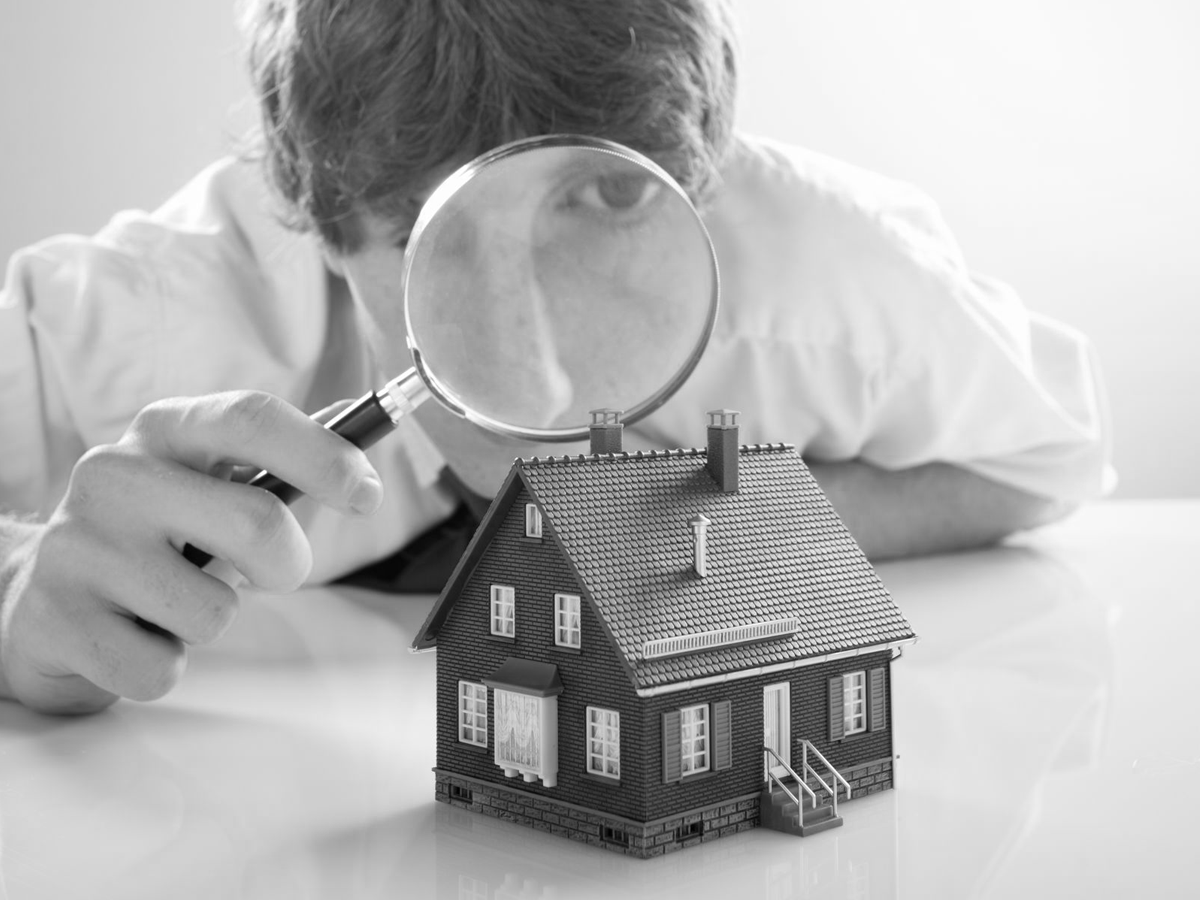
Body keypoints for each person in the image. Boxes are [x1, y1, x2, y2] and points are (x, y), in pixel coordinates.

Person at [0, 0, 1112, 715]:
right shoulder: (148, 314)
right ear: (311, 212)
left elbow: (1042, 460)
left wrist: (689, 522)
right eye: (420, 233)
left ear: (704, 168)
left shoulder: (830, 283)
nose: (528, 382)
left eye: (608, 198)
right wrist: (16, 603)